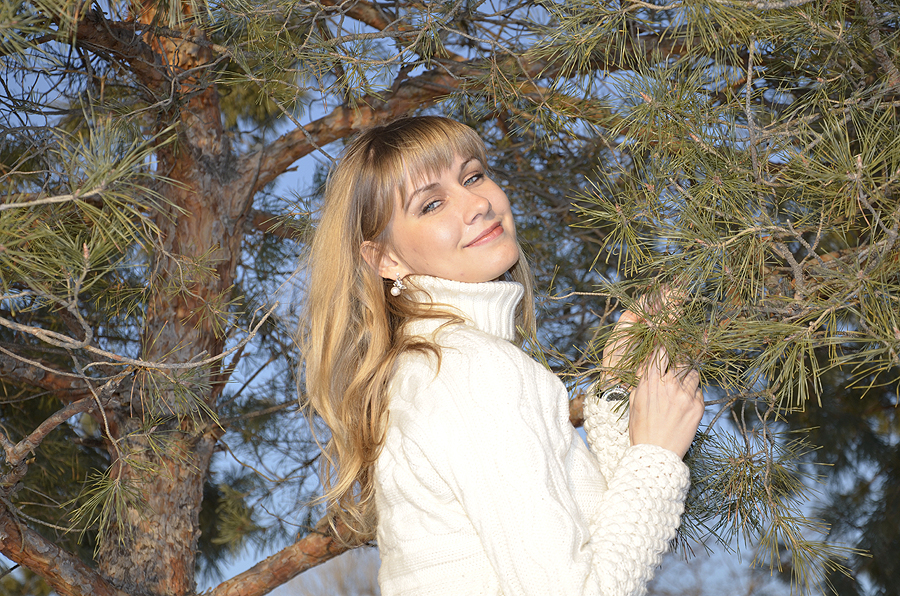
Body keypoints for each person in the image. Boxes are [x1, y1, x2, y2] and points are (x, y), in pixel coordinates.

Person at [300, 116, 705, 596]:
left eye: (473, 176)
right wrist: (655, 457)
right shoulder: (467, 370)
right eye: (432, 204)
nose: (478, 203)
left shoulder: (435, 366)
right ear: (385, 259)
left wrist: (616, 391)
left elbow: (603, 547)